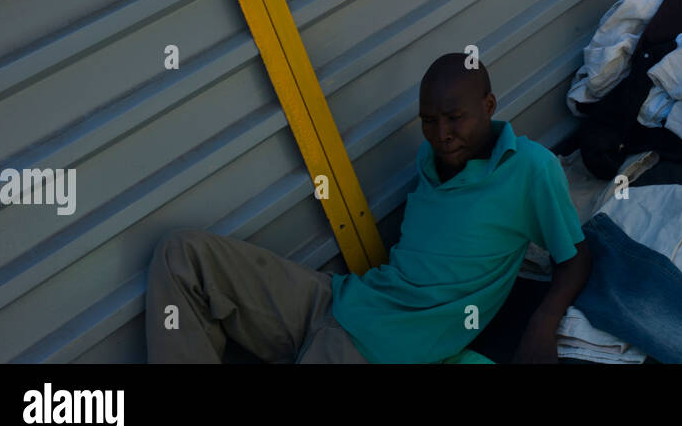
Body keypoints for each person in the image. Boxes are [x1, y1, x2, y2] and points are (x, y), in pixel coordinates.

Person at [145, 53, 591, 364]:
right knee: (182, 255)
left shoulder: (530, 168)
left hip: (378, 351)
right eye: (429, 122)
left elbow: (574, 258)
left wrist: (541, 326)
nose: (441, 134)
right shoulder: (432, 160)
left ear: (488, 106)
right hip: (337, 301)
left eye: (455, 118)